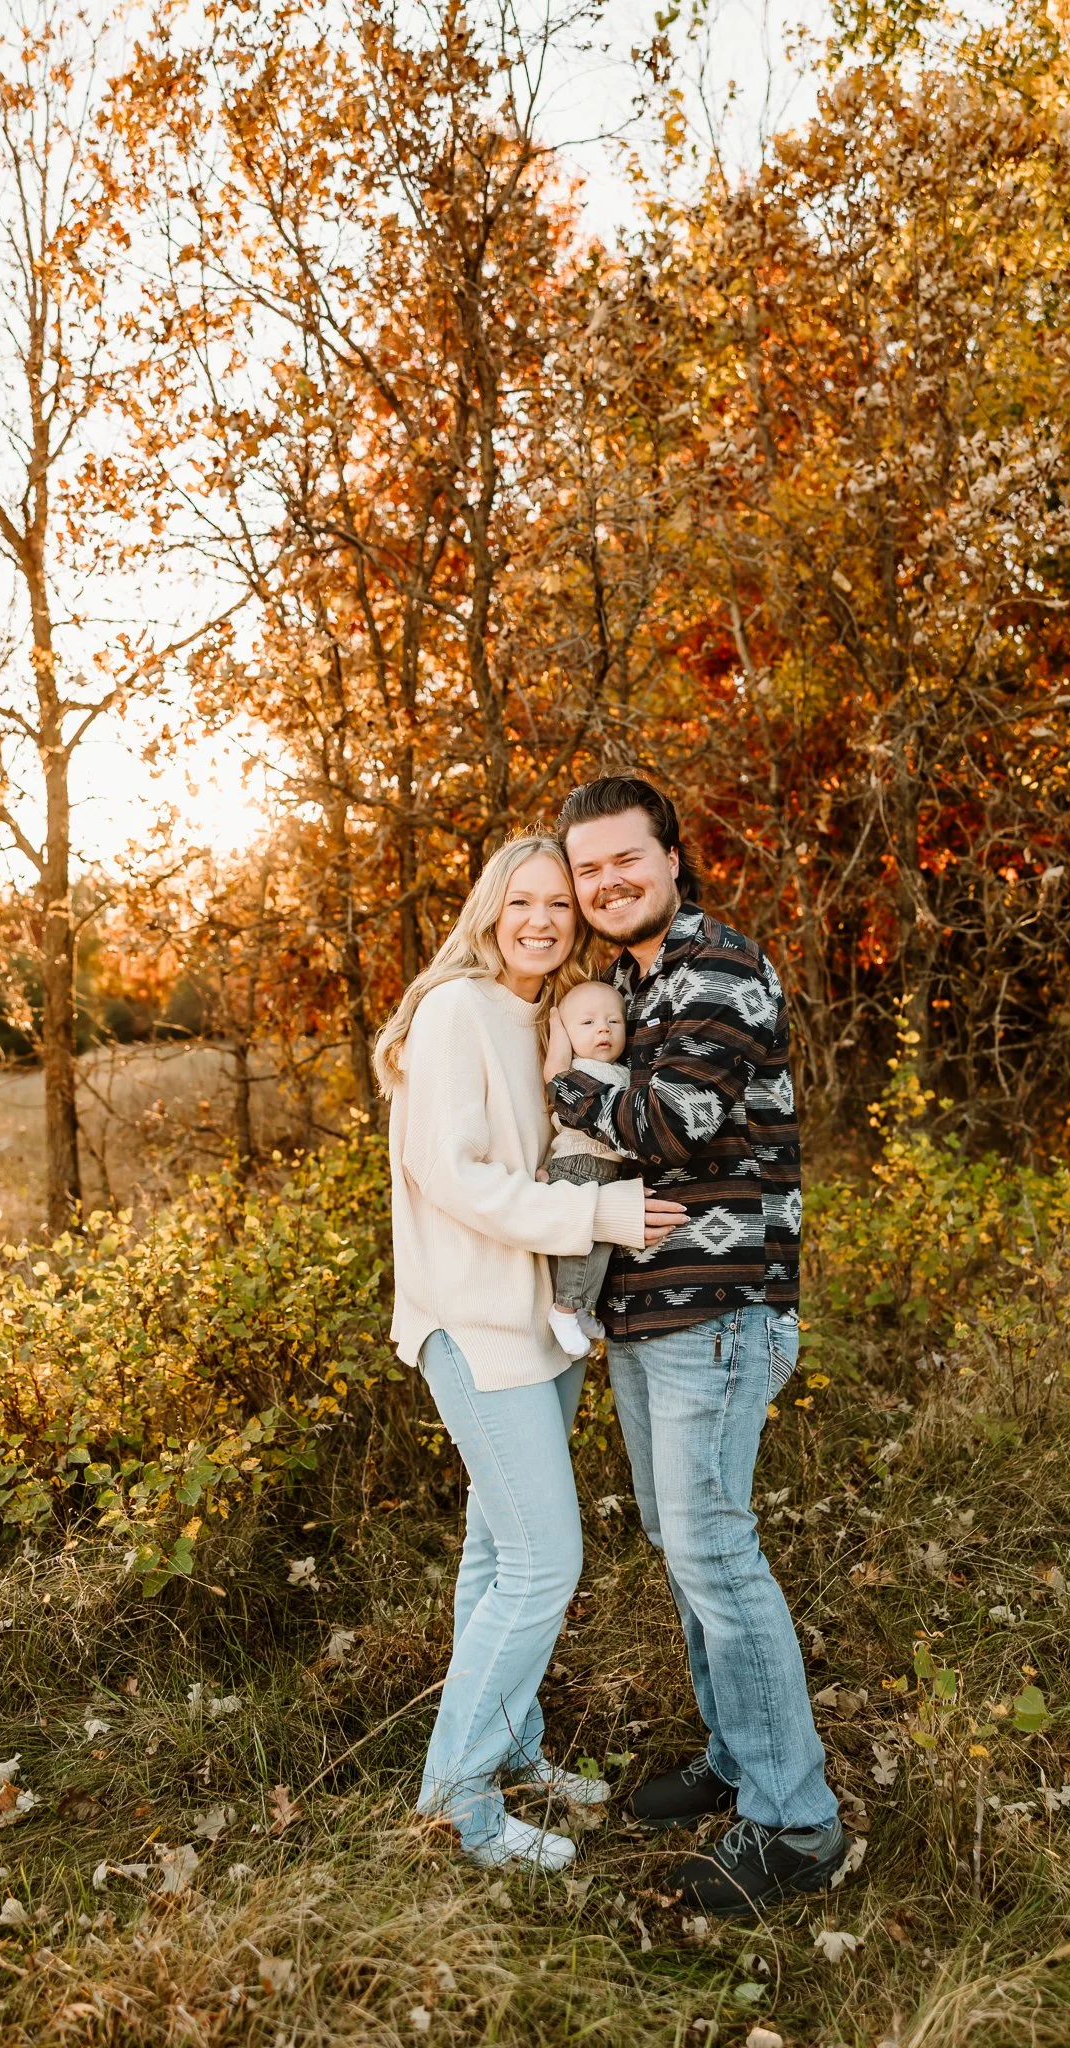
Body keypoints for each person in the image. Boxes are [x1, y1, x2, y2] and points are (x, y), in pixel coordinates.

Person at [546, 775, 850, 1913]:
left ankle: (796, 1822)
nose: (607, 881)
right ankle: (737, 1754)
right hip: (650, 1308)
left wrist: (565, 1082)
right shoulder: (632, 982)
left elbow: (676, 1123)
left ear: (673, 857)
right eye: (588, 868)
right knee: (683, 1546)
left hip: (718, 1308)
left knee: (715, 1551)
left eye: (627, 858)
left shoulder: (714, 966)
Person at [374, 834, 688, 1870]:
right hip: (474, 1325)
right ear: (490, 910)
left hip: (538, 1324)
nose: (543, 920)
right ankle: (456, 1802)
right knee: (546, 1561)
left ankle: (509, 1749)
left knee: (498, 1556)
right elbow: (452, 1175)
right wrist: (598, 1214)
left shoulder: (548, 1017)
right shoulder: (456, 1009)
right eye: (523, 902)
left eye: (559, 903)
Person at [543, 979, 632, 1360]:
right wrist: (557, 1036)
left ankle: (581, 1307)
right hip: (581, 1163)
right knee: (580, 1244)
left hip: (605, 1168)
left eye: (614, 1021)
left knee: (601, 1243)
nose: (603, 1030)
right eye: (588, 1023)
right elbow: (554, 1076)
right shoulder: (576, 1070)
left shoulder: (621, 1071)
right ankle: (563, 1309)